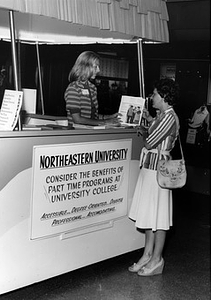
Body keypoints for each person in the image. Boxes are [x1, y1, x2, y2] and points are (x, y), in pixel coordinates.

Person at [128, 78, 180, 276]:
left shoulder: (168, 117)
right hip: (150, 169)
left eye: (155, 94)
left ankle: (157, 259)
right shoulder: (163, 115)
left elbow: (150, 142)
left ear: (165, 97)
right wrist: (149, 120)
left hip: (158, 171)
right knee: (150, 214)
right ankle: (147, 254)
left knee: (158, 217)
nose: (152, 97)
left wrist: (141, 130)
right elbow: (154, 130)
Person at [64, 51, 121, 127]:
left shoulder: (92, 88)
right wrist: (105, 122)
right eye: (95, 66)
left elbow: (93, 117)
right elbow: (77, 119)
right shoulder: (73, 88)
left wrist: (110, 117)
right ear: (85, 67)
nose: (98, 70)